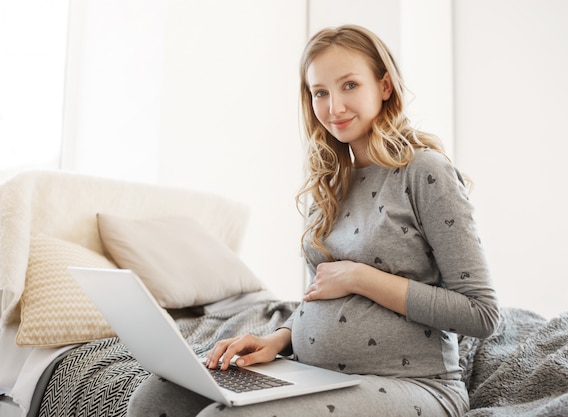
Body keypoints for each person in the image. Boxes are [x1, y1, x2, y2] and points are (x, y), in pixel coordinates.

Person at [127, 24, 499, 417]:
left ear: (384, 86)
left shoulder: (424, 172)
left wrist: (361, 277)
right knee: (157, 398)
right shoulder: (330, 183)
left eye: (350, 85)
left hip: (415, 385)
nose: (334, 107)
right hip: (315, 374)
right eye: (320, 92)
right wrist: (278, 339)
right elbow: (322, 298)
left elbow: (481, 313)